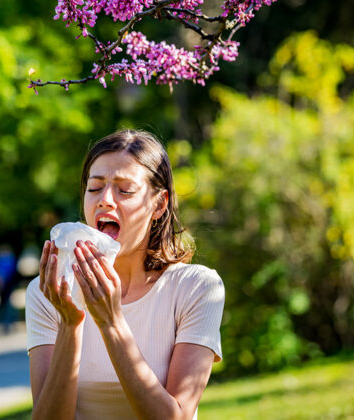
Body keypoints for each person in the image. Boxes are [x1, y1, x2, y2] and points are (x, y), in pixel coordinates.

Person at [26, 130, 225, 420]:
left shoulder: (197, 288)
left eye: (125, 190)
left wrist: (111, 321)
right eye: (94, 188)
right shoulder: (49, 292)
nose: (105, 200)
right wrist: (71, 323)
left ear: (159, 204)